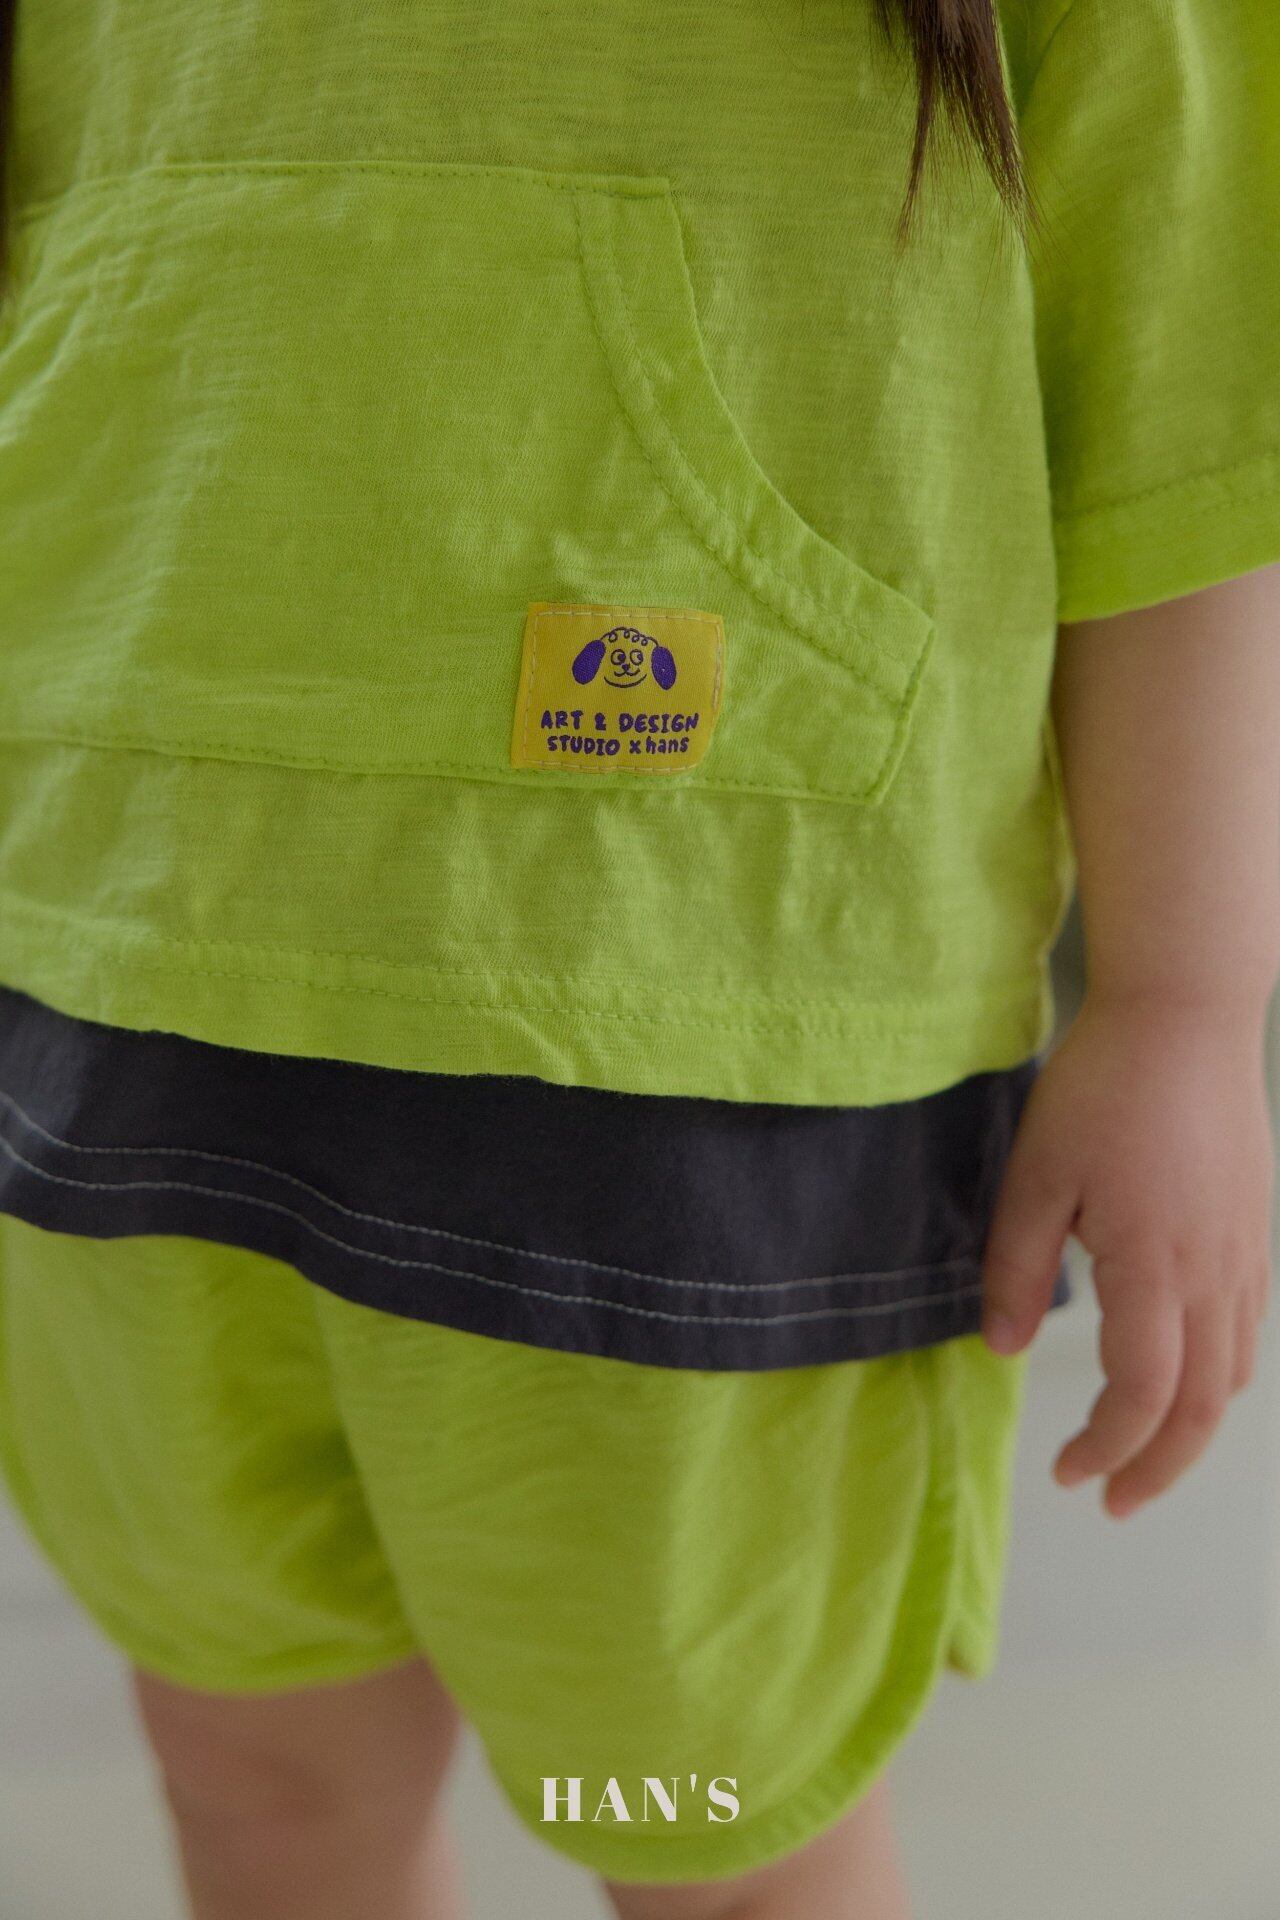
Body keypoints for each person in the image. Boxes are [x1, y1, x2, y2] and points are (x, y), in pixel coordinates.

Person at [0, 2, 1276, 1915]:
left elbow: (1186, 424)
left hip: (698, 1033)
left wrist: (1185, 1006)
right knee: (257, 1775)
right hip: (113, 973)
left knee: (702, 1838)